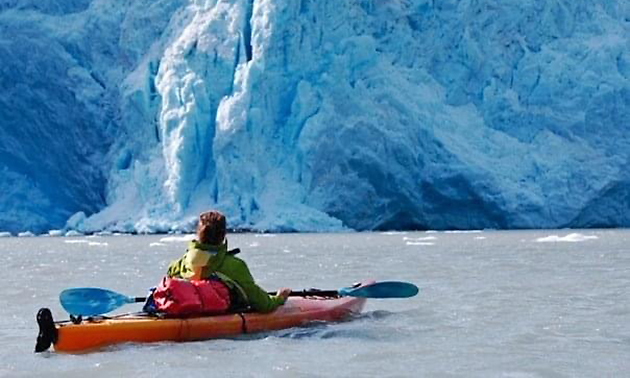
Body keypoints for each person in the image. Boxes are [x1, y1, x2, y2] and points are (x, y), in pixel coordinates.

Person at [167, 210, 291, 313]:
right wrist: (279, 298)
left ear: (198, 234)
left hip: (186, 312)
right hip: (219, 316)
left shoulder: (180, 264)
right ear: (223, 235)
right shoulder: (235, 266)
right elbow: (263, 305)